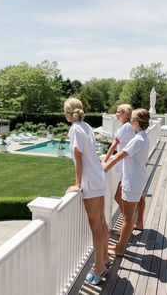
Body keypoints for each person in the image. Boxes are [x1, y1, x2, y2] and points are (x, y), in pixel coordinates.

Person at [64, 97, 110, 285]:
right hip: (98, 177)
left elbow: (79, 158)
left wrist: (77, 184)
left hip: (90, 181)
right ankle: (105, 258)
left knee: (96, 227)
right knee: (101, 222)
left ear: (68, 113)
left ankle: (99, 266)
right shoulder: (87, 126)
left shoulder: (75, 129)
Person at [102, 108, 150, 256]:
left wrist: (105, 166)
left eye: (132, 119)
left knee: (127, 219)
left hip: (133, 181)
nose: (130, 121)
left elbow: (121, 154)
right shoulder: (143, 136)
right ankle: (121, 246)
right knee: (127, 218)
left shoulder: (138, 139)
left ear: (135, 121)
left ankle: (119, 249)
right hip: (136, 179)